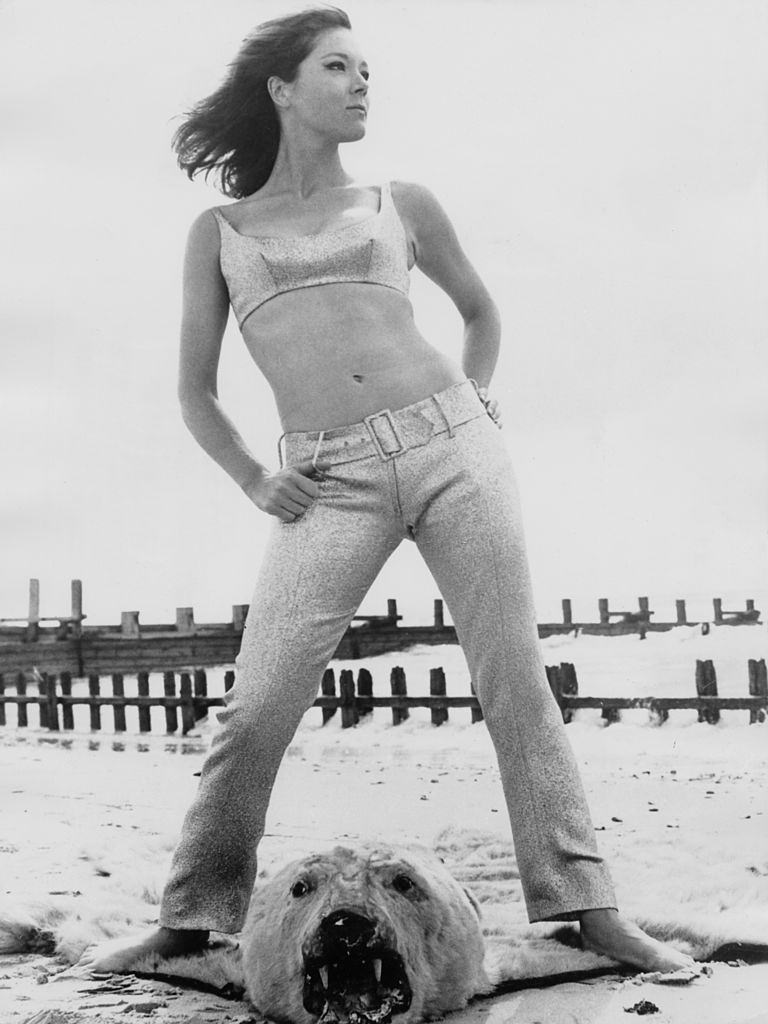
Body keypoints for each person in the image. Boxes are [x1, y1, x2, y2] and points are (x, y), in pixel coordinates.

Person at [78, 5, 695, 977]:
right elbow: (194, 393)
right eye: (339, 67)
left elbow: (482, 311)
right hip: (327, 474)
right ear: (282, 88)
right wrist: (253, 474)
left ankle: (589, 909)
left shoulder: (401, 200)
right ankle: (191, 916)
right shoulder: (222, 231)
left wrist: (477, 403)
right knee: (258, 700)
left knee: (513, 680)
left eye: (369, 69)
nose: (363, 83)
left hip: (455, 449)